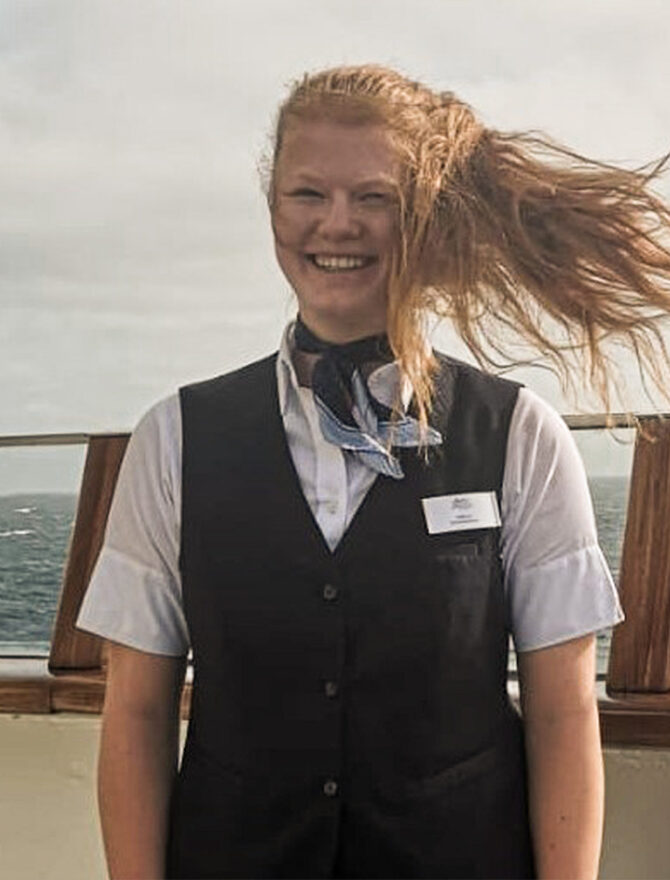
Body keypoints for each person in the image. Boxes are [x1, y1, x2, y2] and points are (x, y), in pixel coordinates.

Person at [75, 64, 670, 879]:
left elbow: (563, 712)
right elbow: (137, 711)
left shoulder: (517, 435)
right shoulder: (173, 438)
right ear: (273, 206)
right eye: (306, 194)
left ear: (426, 213)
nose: (337, 225)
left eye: (376, 197)